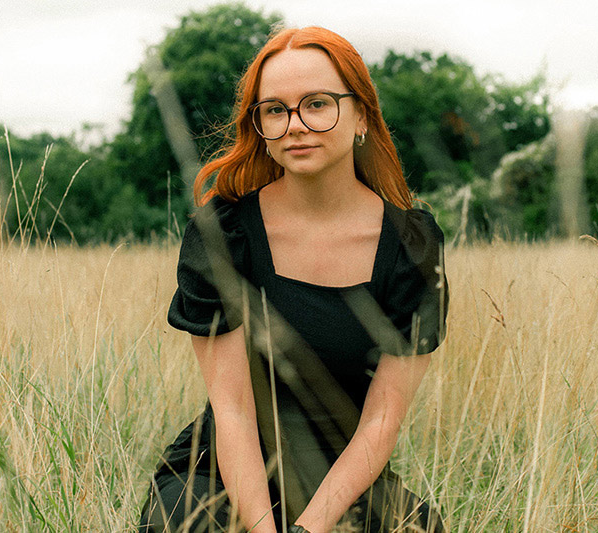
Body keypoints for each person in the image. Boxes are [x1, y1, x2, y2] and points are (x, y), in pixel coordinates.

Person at [139, 26, 449, 533]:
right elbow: (234, 412)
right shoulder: (225, 234)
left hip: (344, 482)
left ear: (361, 117)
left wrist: (309, 529)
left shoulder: (411, 246)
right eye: (276, 110)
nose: (295, 125)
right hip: (223, 477)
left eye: (317, 104)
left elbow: (381, 420)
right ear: (258, 123)